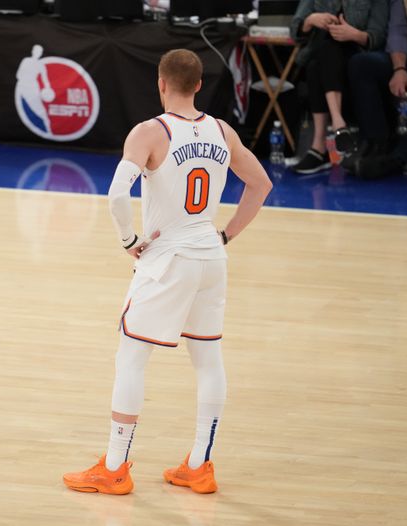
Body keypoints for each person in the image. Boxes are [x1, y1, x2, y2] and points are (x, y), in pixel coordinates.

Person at [62, 49, 272, 495]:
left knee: (131, 357)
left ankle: (115, 467)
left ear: (160, 84)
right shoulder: (222, 131)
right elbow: (261, 184)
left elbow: (118, 196)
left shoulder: (149, 132)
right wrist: (227, 235)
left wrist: (127, 240)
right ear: (199, 85)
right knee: (208, 360)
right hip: (211, 259)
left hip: (168, 260)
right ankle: (200, 464)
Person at [289, 0, 389, 174]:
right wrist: (311, 20)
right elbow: (295, 30)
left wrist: (354, 34)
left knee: (319, 61)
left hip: (357, 59)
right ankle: (338, 125)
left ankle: (319, 147)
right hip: (322, 58)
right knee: (322, 56)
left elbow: (378, 35)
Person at [343, 0, 407, 177]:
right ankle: (376, 144)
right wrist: (400, 69)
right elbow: (398, 30)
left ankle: (398, 159)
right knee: (363, 64)